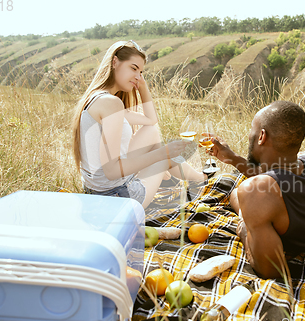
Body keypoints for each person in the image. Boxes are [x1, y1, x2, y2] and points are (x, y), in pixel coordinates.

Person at [206, 101, 305, 279]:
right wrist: (232, 157)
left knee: (238, 194)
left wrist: (244, 229)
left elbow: (271, 270)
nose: (249, 135)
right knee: (238, 194)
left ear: (261, 136)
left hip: (284, 242)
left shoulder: (256, 191)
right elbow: (278, 172)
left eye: (251, 130)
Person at [71, 40, 206, 209]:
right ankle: (201, 179)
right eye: (133, 68)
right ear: (114, 62)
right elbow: (112, 171)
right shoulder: (111, 103)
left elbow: (151, 121)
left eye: (141, 72)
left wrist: (142, 85)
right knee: (166, 155)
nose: (138, 76)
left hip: (99, 191)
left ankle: (196, 178)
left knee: (151, 132)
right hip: (118, 197)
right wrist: (162, 154)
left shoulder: (99, 98)